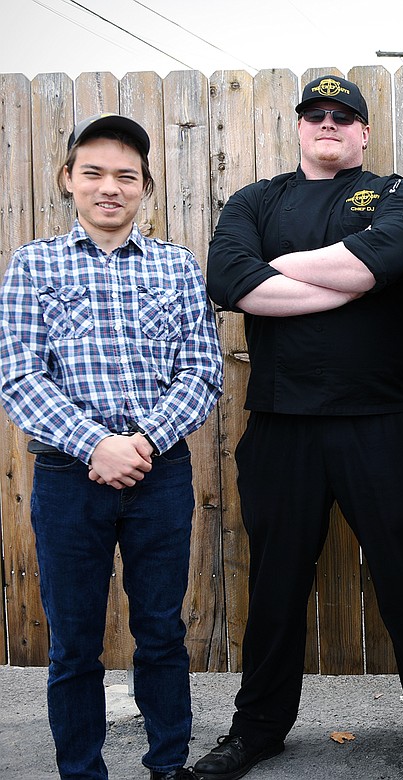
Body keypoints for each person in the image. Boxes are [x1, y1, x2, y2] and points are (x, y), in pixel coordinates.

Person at [192, 75, 403, 779]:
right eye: (317, 115)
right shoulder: (254, 200)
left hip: (379, 421)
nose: (330, 124)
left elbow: (387, 258)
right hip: (283, 425)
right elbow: (227, 280)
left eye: (345, 116)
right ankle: (257, 730)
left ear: (364, 132)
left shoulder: (395, 194)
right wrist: (346, 277)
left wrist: (273, 275)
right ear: (301, 127)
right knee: (275, 587)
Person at [0, 113, 223, 779]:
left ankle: (167, 764)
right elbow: (19, 374)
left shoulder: (176, 266)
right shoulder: (33, 266)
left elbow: (202, 373)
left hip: (160, 474)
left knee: (161, 632)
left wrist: (143, 441)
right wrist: (95, 444)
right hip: (70, 477)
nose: (109, 188)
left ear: (145, 188)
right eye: (93, 173)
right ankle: (81, 772)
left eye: (126, 176)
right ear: (69, 180)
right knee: (73, 644)